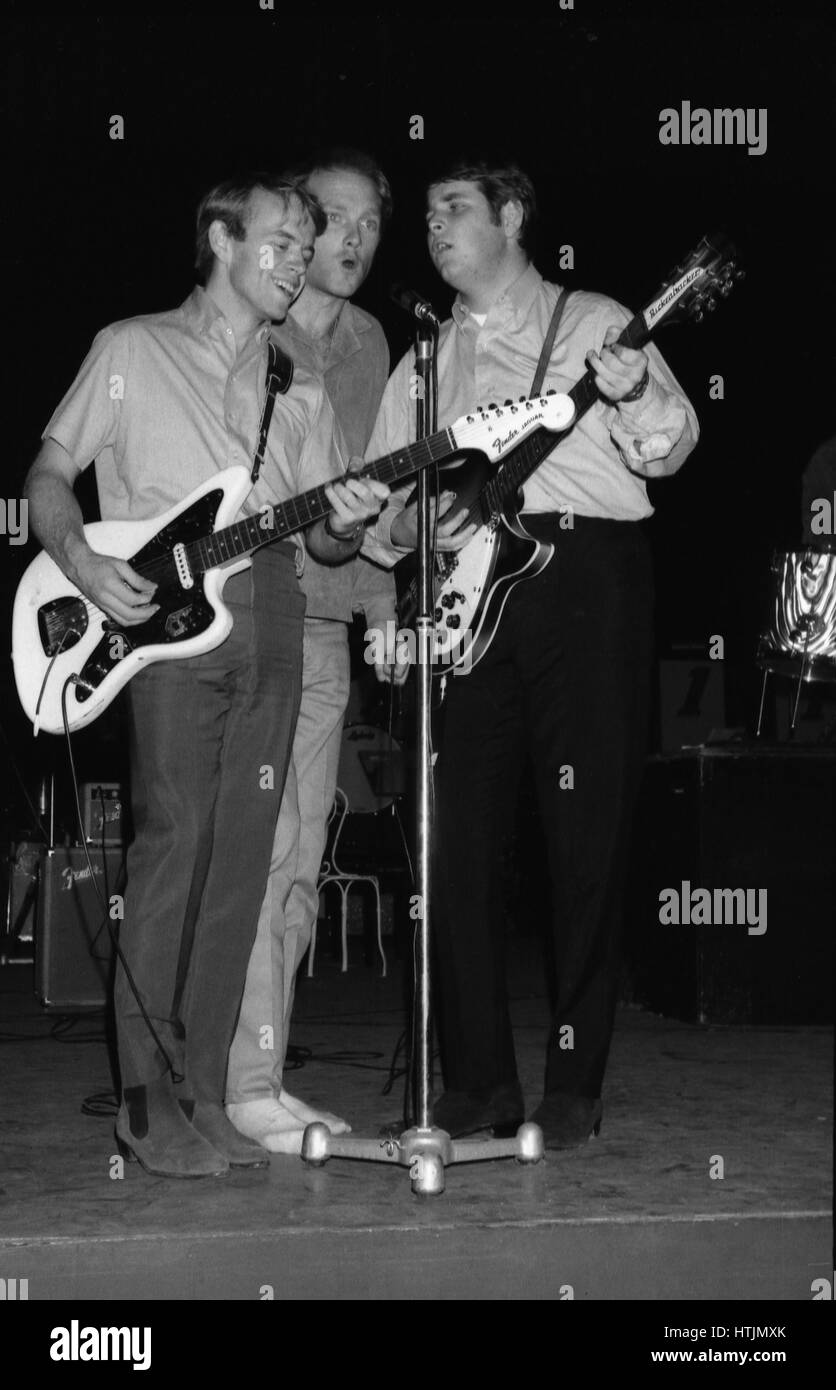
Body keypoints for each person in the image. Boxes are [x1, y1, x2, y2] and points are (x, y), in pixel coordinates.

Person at [23, 173, 388, 1178]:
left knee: (242, 856)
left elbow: (320, 543)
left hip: (273, 607)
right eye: (281, 241)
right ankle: (144, 1098)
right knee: (176, 843)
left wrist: (349, 516)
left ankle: (200, 1090)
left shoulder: (299, 379)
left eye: (306, 246)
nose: (299, 261)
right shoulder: (131, 348)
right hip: (169, 622)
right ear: (222, 240)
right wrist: (86, 564)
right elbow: (49, 473)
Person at [363, 160, 699, 1148]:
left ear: (512, 217)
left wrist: (633, 395)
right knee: (452, 832)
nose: (432, 226)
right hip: (465, 590)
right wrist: (398, 520)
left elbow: (671, 446)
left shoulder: (597, 320)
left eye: (453, 208)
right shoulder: (422, 361)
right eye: (424, 215)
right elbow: (381, 511)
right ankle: (474, 1085)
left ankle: (572, 1082)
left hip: (585, 577)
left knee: (584, 832)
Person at [226, 149, 408, 1154]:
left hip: (327, 620)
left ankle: (262, 1072)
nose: (348, 240)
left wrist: (381, 603)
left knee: (299, 862)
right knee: (247, 858)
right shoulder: (259, 318)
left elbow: (368, 492)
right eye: (329, 219)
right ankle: (233, 1077)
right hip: (244, 618)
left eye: (368, 224)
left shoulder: (376, 338)